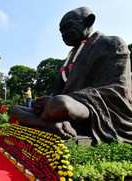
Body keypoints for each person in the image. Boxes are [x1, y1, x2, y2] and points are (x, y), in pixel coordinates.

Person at [11, 7, 132, 144]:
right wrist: (45, 100)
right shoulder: (71, 57)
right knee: (15, 110)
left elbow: (119, 89)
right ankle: (51, 125)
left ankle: (50, 119)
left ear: (89, 21)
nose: (64, 34)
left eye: (69, 27)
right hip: (66, 106)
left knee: (59, 104)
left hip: (93, 107)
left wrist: (60, 100)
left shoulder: (112, 44)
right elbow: (59, 92)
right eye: (61, 31)